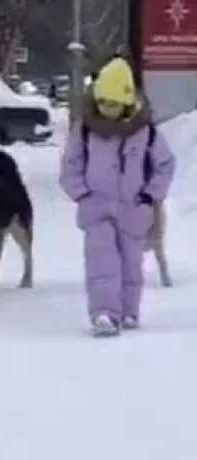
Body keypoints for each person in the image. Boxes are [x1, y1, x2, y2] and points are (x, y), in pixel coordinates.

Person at [59, 57, 176, 337]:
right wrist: (82, 194)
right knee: (101, 261)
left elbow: (165, 165)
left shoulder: (145, 133)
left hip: (133, 209)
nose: (106, 109)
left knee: (130, 263)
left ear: (125, 102)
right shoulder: (85, 132)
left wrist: (149, 196)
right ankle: (104, 313)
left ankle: (128, 311)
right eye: (102, 103)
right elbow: (70, 166)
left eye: (112, 104)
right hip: (96, 208)